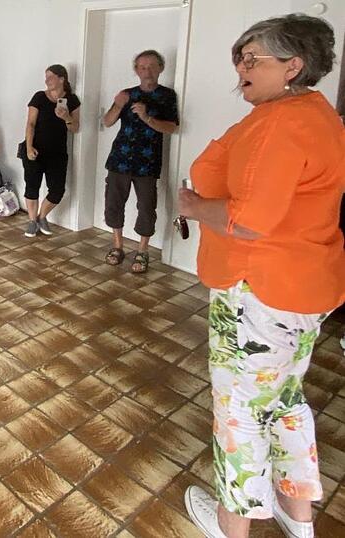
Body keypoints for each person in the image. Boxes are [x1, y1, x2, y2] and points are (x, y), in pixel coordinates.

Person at [178, 14, 345, 538]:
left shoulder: (282, 122)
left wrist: (192, 204)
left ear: (294, 65)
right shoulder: (316, 113)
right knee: (286, 402)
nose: (241, 67)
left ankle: (233, 526)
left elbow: (248, 221)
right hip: (300, 287)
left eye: (254, 59)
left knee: (239, 415)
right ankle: (299, 521)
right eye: (239, 57)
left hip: (258, 291)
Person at [101, 50, 179, 272]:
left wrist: (146, 117)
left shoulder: (167, 96)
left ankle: (143, 251)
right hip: (119, 160)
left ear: (161, 68)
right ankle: (118, 246)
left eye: (152, 66)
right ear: (136, 70)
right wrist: (117, 105)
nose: (147, 71)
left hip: (148, 163)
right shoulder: (126, 94)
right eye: (142, 67)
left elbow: (171, 127)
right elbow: (106, 122)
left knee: (146, 208)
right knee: (113, 204)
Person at [22, 65, 81, 236]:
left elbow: (75, 128)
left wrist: (66, 117)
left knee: (57, 190)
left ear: (62, 79)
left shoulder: (72, 100)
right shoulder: (39, 97)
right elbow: (30, 123)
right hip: (35, 150)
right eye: (45, 76)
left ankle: (41, 216)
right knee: (32, 187)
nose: (46, 80)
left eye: (50, 76)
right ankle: (32, 221)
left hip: (57, 153)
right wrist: (28, 147)